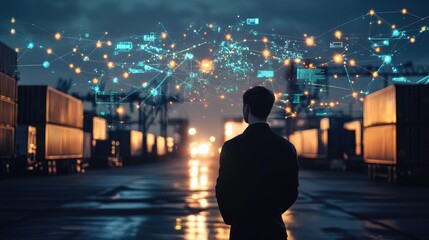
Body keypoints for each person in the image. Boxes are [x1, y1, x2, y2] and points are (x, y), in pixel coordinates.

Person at [215, 86, 299, 240]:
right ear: (269, 108)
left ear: (246, 108)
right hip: (274, 229)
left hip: (242, 229)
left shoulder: (231, 147)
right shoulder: (286, 147)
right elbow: (292, 191)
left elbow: (223, 188)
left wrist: (233, 218)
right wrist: (272, 212)